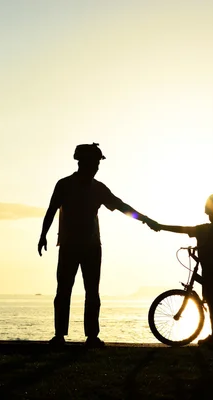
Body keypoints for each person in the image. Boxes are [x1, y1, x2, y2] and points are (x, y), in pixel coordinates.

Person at [38, 143, 155, 348]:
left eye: (98, 163)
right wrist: (43, 235)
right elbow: (51, 210)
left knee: (92, 292)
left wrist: (144, 218)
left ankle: (91, 336)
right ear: (83, 162)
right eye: (94, 163)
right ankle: (59, 335)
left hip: (92, 247)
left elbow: (120, 205)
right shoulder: (64, 185)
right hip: (69, 245)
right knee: (64, 291)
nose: (97, 167)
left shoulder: (98, 188)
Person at [147, 176, 213, 350]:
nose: (207, 212)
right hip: (211, 273)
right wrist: (160, 226)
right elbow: (182, 229)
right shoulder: (209, 228)